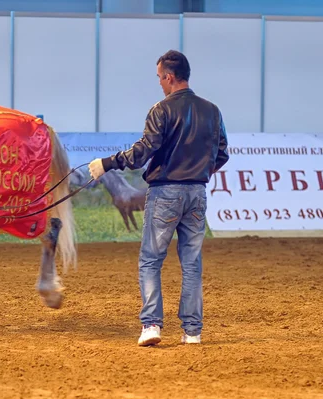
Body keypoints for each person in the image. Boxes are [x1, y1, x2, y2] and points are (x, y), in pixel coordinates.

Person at [88, 50, 229, 346]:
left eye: (159, 78)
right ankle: (192, 332)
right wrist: (199, 172)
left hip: (166, 192)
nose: (159, 84)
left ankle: (151, 324)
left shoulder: (161, 109)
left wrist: (108, 163)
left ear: (169, 76)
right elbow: (222, 153)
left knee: (151, 259)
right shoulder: (213, 111)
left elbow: (142, 151)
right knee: (191, 263)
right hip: (197, 193)